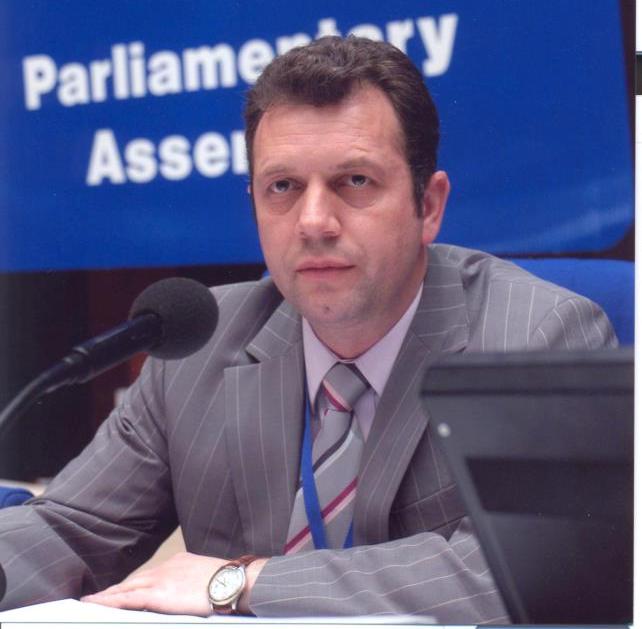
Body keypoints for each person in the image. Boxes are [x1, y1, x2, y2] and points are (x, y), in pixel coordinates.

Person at [0, 36, 615, 622]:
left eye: (354, 182)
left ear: (428, 206)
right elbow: (69, 530)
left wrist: (244, 583)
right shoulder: (196, 350)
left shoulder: (537, 336)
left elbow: (535, 570)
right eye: (283, 187)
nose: (313, 221)